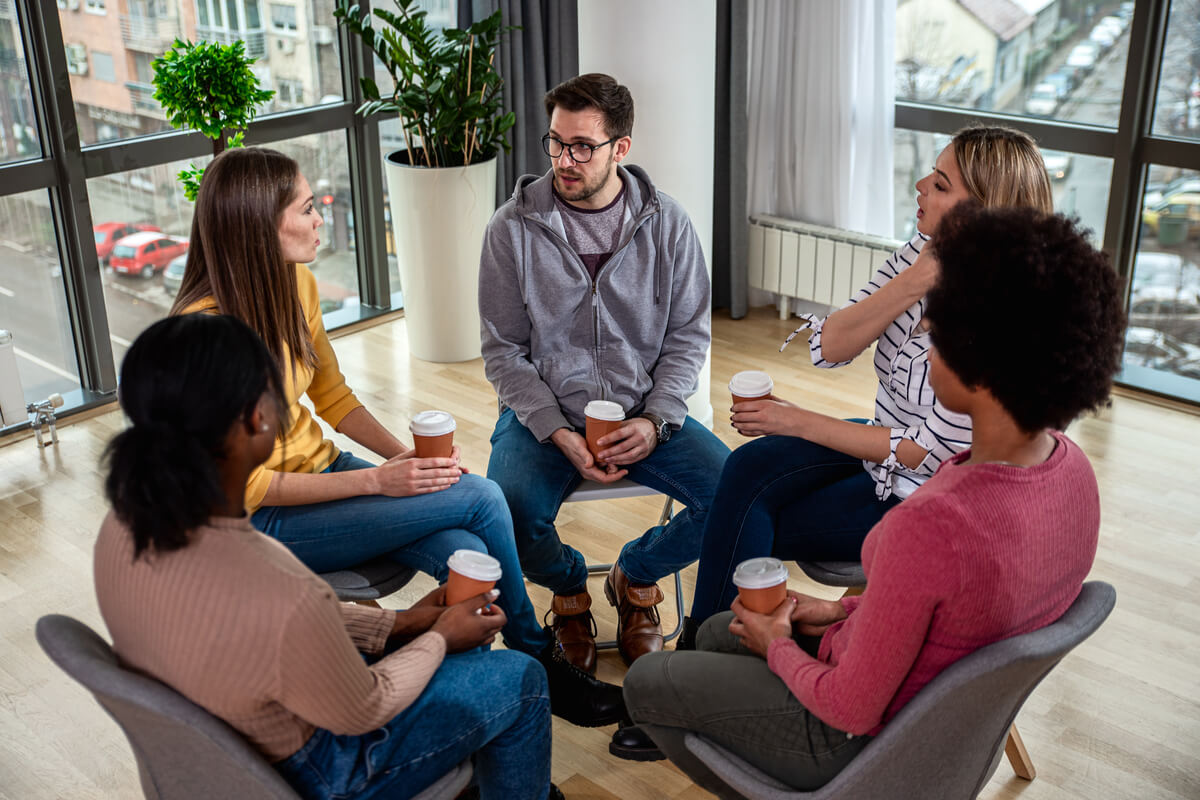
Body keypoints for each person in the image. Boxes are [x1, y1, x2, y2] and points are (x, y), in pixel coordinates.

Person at [614, 204, 1126, 790]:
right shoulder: (1072, 471)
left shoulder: (930, 525)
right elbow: (942, 616)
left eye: (939, 330)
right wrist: (837, 610)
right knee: (716, 632)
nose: (925, 340)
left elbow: (849, 709)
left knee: (648, 681)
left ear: (983, 370)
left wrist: (780, 645)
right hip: (940, 725)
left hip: (854, 743)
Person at [169, 146, 622, 728]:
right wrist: (380, 481)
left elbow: (331, 397)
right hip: (262, 522)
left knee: (472, 556)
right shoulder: (203, 339)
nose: (319, 219)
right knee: (481, 497)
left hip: (328, 471)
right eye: (307, 209)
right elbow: (248, 487)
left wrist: (402, 459)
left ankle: (468, 709)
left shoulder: (294, 284)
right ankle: (538, 661)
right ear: (260, 225)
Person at [94, 313, 562, 800]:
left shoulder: (121, 528)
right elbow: (364, 707)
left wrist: (402, 624)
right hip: (322, 772)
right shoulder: (278, 582)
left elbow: (273, 630)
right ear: (260, 419)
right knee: (521, 679)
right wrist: (440, 637)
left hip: (224, 752)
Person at [686, 125, 1055, 631]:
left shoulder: (1002, 326)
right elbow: (831, 348)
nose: (920, 185)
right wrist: (914, 282)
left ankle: (708, 657)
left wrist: (796, 421)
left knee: (745, 518)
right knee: (748, 468)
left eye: (941, 184)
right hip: (882, 458)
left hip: (927, 500)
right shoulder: (922, 252)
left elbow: (920, 453)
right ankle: (708, 652)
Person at [478, 73, 731, 671]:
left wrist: (658, 420)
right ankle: (569, 592)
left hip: (642, 411)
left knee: (735, 495)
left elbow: (688, 336)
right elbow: (502, 351)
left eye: (582, 146)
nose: (565, 160)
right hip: (543, 414)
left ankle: (634, 576)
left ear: (621, 148)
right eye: (557, 142)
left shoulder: (668, 223)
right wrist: (556, 430)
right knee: (506, 515)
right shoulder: (510, 229)